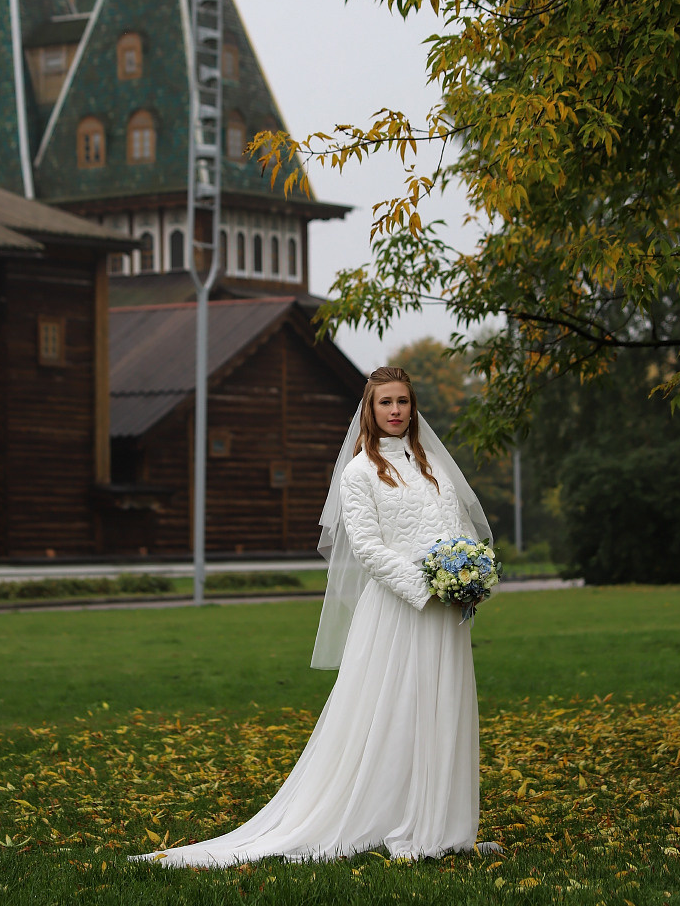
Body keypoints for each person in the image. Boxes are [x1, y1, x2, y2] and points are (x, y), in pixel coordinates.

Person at [131, 366, 494, 868]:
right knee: (392, 710)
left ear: (413, 408)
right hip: (398, 610)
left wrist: (466, 576)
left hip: (445, 611)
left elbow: (457, 527)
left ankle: (443, 822)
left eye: (403, 402)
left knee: (442, 705)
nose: (395, 411)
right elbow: (366, 548)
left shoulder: (433, 463)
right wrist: (425, 586)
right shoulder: (359, 472)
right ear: (369, 410)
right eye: (385, 402)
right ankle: (389, 814)